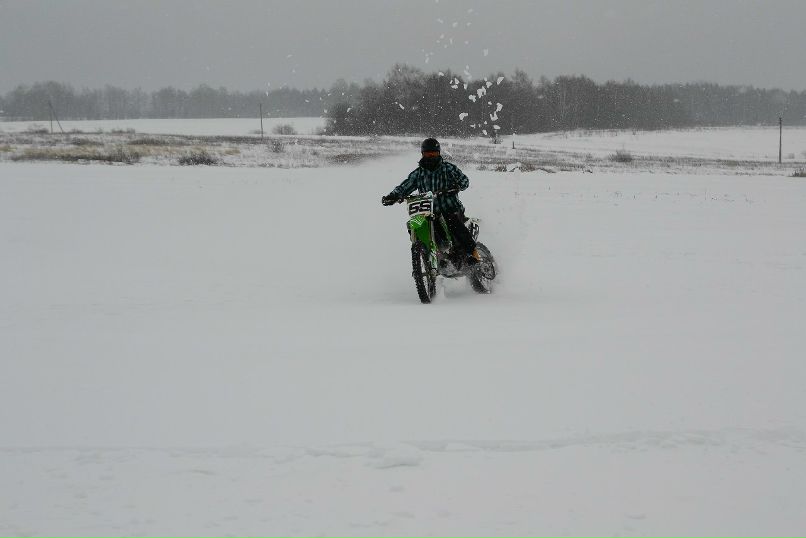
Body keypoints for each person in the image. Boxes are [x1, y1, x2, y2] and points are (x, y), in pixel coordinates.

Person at [381, 138, 480, 266]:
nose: (431, 157)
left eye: (434, 154)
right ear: (423, 154)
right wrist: (393, 196)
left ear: (439, 153)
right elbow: (405, 186)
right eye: (428, 154)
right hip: (428, 212)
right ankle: (429, 253)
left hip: (451, 208)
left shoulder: (448, 168)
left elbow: (465, 182)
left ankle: (472, 253)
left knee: (452, 221)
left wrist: (456, 186)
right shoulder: (418, 173)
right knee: (415, 224)